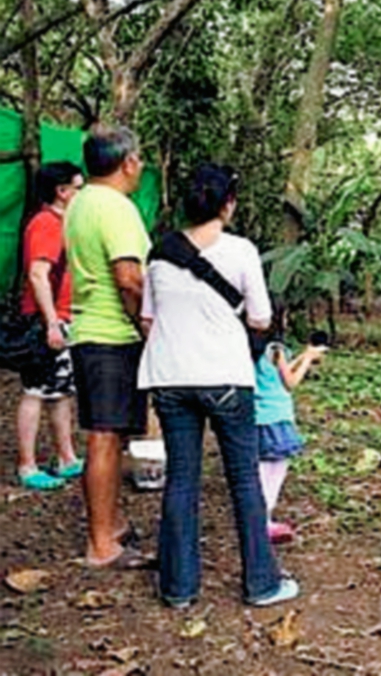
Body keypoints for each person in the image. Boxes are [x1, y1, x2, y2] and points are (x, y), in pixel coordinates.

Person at [138, 163, 298, 607]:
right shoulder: (241, 250)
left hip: (169, 378)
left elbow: (148, 320)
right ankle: (262, 583)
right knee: (244, 479)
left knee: (182, 480)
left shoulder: (160, 252)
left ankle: (178, 588)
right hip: (227, 377)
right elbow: (261, 318)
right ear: (228, 203)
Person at [64, 126, 150, 568]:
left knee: (111, 435)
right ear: (128, 162)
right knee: (103, 436)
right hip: (110, 335)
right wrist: (146, 325)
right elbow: (129, 278)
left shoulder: (80, 203)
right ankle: (101, 544)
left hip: (91, 330)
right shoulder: (117, 207)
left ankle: (112, 524)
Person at [14, 161, 85, 490]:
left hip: (59, 318)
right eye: (78, 188)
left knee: (59, 391)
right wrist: (51, 323)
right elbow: (38, 274)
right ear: (62, 191)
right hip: (46, 320)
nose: (80, 193)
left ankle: (66, 456)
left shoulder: (61, 223)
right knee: (35, 392)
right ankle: (27, 466)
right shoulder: (46, 224)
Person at [254, 302, 325, 544]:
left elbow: (276, 373)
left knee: (261, 470)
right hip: (276, 418)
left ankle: (260, 519)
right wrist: (308, 361)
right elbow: (290, 383)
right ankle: (262, 522)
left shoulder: (253, 347)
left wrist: (305, 355)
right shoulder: (276, 348)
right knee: (273, 473)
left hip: (258, 418)